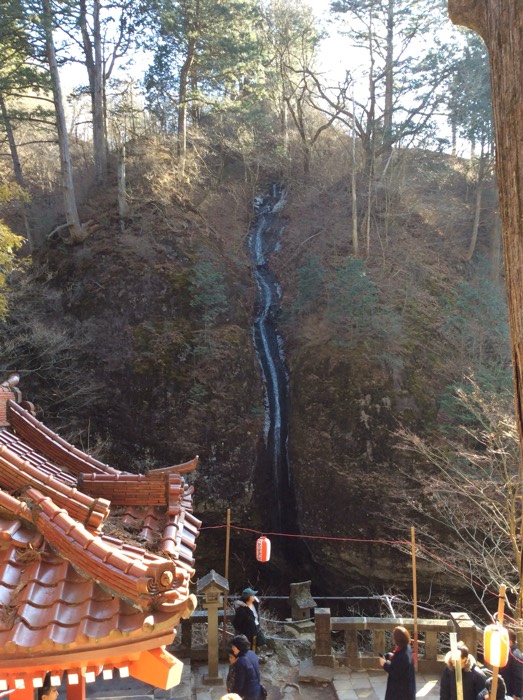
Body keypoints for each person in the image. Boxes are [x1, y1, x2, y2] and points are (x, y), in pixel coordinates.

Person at [378, 625, 416, 700]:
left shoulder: (403, 656)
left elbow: (395, 673)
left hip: (400, 692)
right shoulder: (406, 648)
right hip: (406, 688)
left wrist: (385, 664)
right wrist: (391, 656)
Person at [230, 634, 264, 700]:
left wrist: (232, 695)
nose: (232, 649)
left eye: (233, 647)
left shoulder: (241, 661)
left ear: (238, 647)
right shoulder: (252, 654)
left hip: (249, 694)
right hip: (258, 690)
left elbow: (239, 683)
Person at [500, 630, 523, 700]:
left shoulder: (515, 656)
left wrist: (517, 694)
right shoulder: (505, 652)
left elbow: (519, 677)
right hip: (505, 688)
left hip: (512, 693)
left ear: (510, 642)